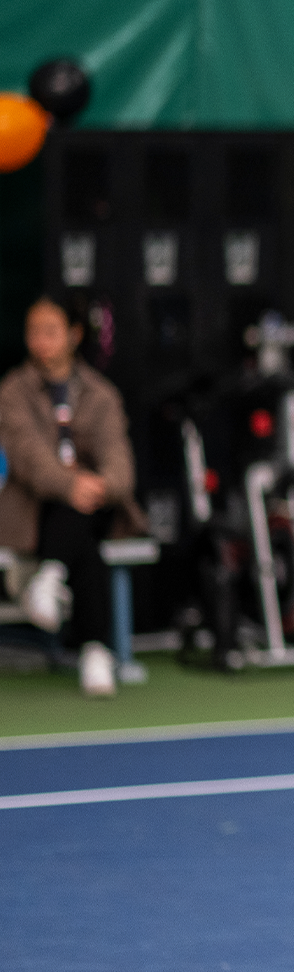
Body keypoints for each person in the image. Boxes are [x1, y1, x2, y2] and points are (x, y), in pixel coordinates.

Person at [0, 293, 143, 697]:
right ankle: (96, 649)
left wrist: (99, 485)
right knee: (83, 539)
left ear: (74, 335)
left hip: (96, 506)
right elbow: (28, 457)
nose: (40, 342)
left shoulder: (101, 394)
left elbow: (120, 464)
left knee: (81, 512)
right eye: (33, 332)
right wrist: (70, 485)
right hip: (34, 508)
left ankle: (50, 577)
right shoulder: (12, 391)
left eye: (50, 332)